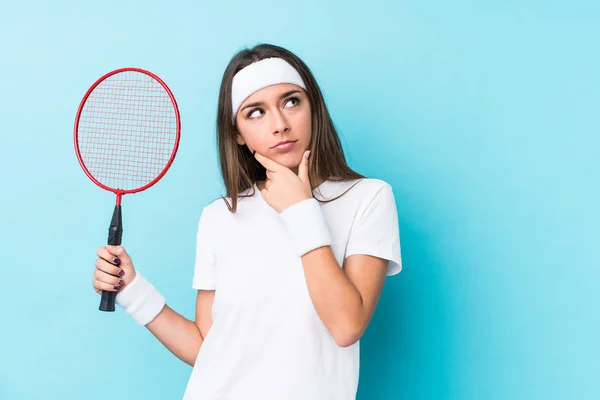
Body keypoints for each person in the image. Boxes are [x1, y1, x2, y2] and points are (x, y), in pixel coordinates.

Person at [91, 43, 402, 400]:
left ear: (313, 107)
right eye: (255, 112)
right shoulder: (220, 216)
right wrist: (132, 290)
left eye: (291, 101)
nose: (280, 125)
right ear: (237, 133)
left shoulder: (368, 198)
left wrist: (300, 209)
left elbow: (346, 325)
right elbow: (210, 350)